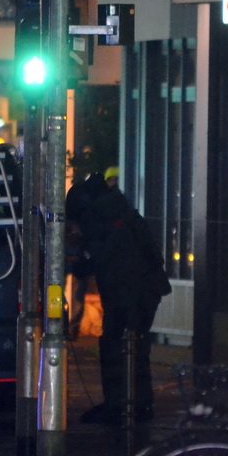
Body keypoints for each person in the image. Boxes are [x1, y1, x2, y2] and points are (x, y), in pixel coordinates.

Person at [79, 167, 171, 425]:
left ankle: (125, 404)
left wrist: (80, 265)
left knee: (120, 345)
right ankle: (134, 403)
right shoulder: (120, 213)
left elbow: (104, 258)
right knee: (133, 346)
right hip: (142, 290)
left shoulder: (102, 220)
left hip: (130, 293)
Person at [65, 170, 107, 338]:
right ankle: (72, 327)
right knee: (78, 290)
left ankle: (64, 325)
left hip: (69, 244)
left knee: (57, 286)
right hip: (81, 248)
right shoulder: (97, 198)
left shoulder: (77, 191)